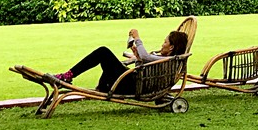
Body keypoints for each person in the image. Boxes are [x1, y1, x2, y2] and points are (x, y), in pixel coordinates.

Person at [53, 27, 188, 93]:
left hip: (132, 85)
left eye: (165, 42)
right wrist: (138, 57)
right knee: (105, 55)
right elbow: (144, 66)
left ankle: (68, 76)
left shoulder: (168, 61)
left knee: (103, 52)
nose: (162, 44)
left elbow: (147, 57)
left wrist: (137, 38)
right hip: (134, 82)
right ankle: (101, 86)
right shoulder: (165, 59)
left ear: (171, 47)